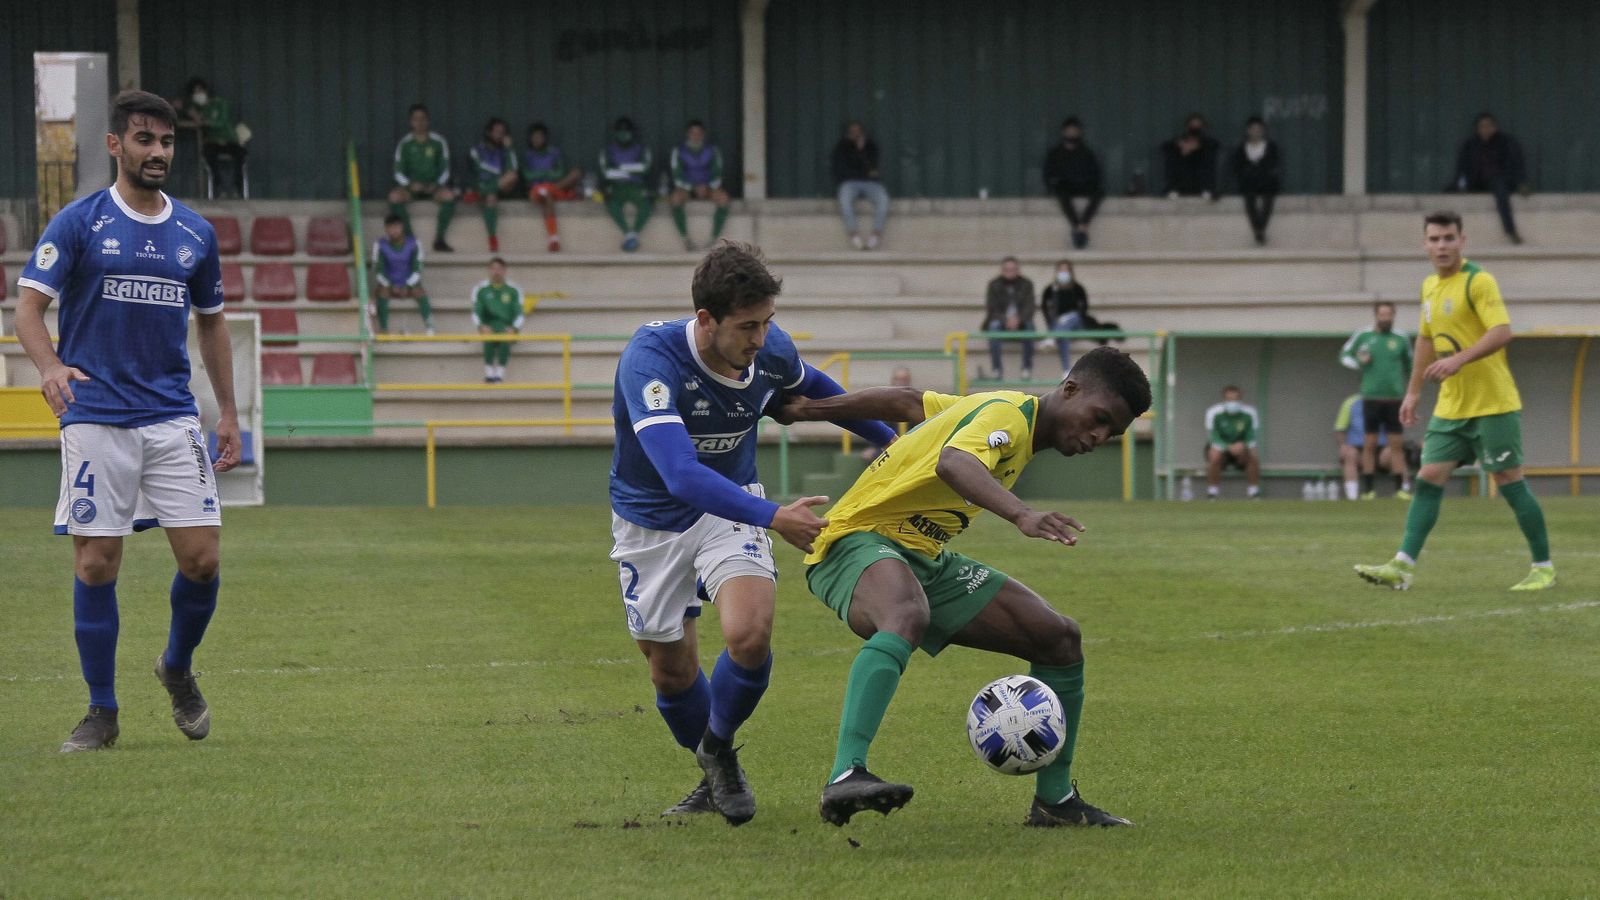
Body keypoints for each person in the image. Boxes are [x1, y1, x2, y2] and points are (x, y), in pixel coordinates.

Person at [770, 346, 1151, 827]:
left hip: (922, 555)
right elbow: (954, 463)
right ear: (1070, 389)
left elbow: (908, 402)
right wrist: (1022, 514)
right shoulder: (1008, 418)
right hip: (853, 541)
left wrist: (808, 409)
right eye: (1099, 418)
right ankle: (846, 774)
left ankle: (1054, 803)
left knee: (1058, 638)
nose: (1098, 436)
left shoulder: (997, 408)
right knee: (906, 614)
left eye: (1111, 433)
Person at [608, 241, 900, 825]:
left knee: (749, 634)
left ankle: (719, 749)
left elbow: (819, 389)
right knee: (668, 668)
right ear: (706, 320)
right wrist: (778, 518)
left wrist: (896, 441)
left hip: (732, 508)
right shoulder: (651, 362)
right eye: (747, 326)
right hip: (651, 521)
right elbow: (680, 473)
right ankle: (713, 770)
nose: (760, 339)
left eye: (767, 322)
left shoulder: (768, 348)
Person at [13, 90, 240, 753]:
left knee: (202, 561)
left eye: (167, 143)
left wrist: (226, 411)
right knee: (95, 564)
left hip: (171, 416)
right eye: (144, 140)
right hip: (97, 417)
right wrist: (52, 367)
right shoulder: (79, 223)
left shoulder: (196, 233)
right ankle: (102, 711)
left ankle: (176, 666)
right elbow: (28, 309)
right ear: (116, 145)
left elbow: (214, 321)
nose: (158, 153)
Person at [1355, 211, 1555, 592]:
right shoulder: (1429, 286)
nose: (1441, 246)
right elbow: (1426, 341)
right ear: (1424, 244)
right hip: (1451, 406)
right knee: (1428, 478)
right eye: (1434, 239)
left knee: (1508, 480)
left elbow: (1502, 331)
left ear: (1462, 240)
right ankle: (1402, 566)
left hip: (1492, 403)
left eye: (1448, 238)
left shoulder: (1479, 281)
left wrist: (1459, 359)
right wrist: (1413, 392)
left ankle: (1543, 567)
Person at [1339, 301, 1413, 498]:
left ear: (1393, 315)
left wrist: (1412, 391)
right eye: (1382, 315)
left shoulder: (1401, 338)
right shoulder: (1363, 336)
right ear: (1376, 316)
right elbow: (1344, 355)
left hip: (1394, 397)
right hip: (1371, 396)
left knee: (1396, 444)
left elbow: (1410, 364)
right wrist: (1359, 362)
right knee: (1369, 442)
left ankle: (1400, 489)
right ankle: (1369, 490)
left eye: (1389, 315)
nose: (1385, 319)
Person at [388, 104, 457, 252]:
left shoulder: (438, 142)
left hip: (433, 187)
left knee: (449, 196)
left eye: (423, 119)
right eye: (415, 119)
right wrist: (410, 184)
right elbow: (397, 172)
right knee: (394, 197)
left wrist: (437, 183)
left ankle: (440, 240)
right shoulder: (405, 143)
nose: (419, 123)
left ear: (428, 121)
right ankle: (409, 238)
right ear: (410, 122)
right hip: (412, 188)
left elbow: (445, 169)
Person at [1452, 113, 1528, 244]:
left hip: (1499, 180)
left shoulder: (1505, 142)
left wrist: (1520, 182)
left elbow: (1516, 163)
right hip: (1475, 180)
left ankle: (1510, 231)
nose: (1485, 130)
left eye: (1488, 126)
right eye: (1482, 126)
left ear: (1494, 127)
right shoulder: (1470, 145)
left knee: (1501, 193)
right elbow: (1462, 167)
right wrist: (1460, 184)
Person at [176, 77, 246, 197]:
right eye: (195, 92)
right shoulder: (197, 109)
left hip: (229, 140)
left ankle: (238, 188)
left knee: (240, 155)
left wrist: (205, 122)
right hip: (213, 142)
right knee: (209, 155)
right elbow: (195, 123)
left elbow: (221, 121)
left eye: (200, 91)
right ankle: (218, 188)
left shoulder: (219, 103)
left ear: (206, 91)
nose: (198, 94)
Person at [668, 120, 731, 252]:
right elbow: (676, 174)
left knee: (723, 198)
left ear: (703, 134)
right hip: (687, 188)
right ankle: (686, 239)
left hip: (707, 188)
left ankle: (714, 239)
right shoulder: (679, 151)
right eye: (693, 133)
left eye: (699, 133)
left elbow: (717, 172)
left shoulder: (712, 150)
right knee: (675, 199)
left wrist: (707, 186)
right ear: (688, 134)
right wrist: (692, 187)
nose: (696, 135)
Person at [1042, 118, 1104, 250]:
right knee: (1061, 192)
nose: (1072, 134)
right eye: (1069, 131)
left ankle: (1083, 224)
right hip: (1065, 186)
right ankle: (1077, 226)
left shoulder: (1086, 153)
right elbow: (1048, 174)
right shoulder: (1055, 153)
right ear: (1064, 132)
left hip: (1083, 185)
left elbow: (1095, 173)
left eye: (1074, 131)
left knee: (1099, 192)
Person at [1335, 394, 1411, 501]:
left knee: (1395, 452)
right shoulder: (1350, 403)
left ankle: (1403, 491)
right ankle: (1352, 497)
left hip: (1381, 450)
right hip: (1359, 451)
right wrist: (1343, 445)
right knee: (1349, 453)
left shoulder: (1387, 402)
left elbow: (1395, 429)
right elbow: (1340, 429)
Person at [521, 122, 583, 252]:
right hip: (536, 190)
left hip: (554, 186)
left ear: (544, 138)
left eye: (539, 137)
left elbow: (560, 173)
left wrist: (544, 174)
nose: (536, 140)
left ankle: (565, 193)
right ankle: (553, 238)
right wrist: (546, 172)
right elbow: (527, 175)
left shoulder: (554, 152)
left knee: (576, 172)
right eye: (534, 137)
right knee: (547, 194)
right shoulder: (528, 155)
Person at [372, 213, 433, 335]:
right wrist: (390, 285)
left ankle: (430, 327)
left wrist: (407, 285)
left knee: (420, 292)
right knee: (382, 292)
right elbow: (378, 270)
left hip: (409, 282)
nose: (393, 231)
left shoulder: (414, 243)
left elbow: (418, 268)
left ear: (402, 227)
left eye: (396, 227)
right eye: (390, 228)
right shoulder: (380, 245)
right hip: (389, 283)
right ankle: (384, 329)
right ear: (386, 229)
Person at [600, 116, 653, 252]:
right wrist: (630, 171)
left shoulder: (641, 149)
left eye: (626, 131)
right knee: (610, 201)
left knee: (648, 203)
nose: (624, 134)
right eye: (620, 131)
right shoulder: (608, 150)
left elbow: (645, 168)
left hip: (636, 186)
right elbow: (606, 172)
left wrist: (622, 168)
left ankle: (633, 234)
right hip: (617, 187)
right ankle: (629, 233)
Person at [832, 121, 888, 250]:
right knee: (844, 200)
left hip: (870, 183)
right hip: (850, 183)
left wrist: (861, 150)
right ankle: (854, 235)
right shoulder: (842, 147)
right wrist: (854, 151)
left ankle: (875, 235)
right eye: (853, 131)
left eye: (858, 131)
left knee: (883, 199)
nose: (855, 134)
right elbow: (842, 169)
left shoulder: (870, 146)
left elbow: (872, 168)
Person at [1227, 117, 1282, 245]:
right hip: (1249, 182)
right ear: (1248, 131)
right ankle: (1258, 229)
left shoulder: (1270, 146)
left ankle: (1260, 229)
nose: (1256, 132)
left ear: (1263, 131)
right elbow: (1238, 166)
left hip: (1266, 182)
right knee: (1250, 202)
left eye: (1258, 129)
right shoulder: (1242, 148)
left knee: (1268, 202)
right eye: (1253, 129)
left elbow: (1273, 163)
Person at [468, 118, 519, 253]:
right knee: (491, 199)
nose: (500, 135)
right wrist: (500, 176)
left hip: (500, 187)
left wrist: (509, 148)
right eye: (497, 132)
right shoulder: (477, 149)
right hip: (483, 184)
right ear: (489, 132)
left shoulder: (504, 151)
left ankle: (481, 194)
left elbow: (513, 168)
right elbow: (480, 167)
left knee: (512, 176)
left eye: (502, 132)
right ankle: (492, 237)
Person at [981, 256, 1035, 381]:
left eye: (1013, 269)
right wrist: (1006, 320)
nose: (1010, 272)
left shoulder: (1026, 284)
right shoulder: (994, 285)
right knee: (993, 327)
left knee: (1030, 328)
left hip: (1021, 321)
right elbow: (992, 308)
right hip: (1000, 320)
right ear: (1002, 270)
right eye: (1007, 269)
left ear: (1018, 270)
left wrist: (1018, 319)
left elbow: (1029, 306)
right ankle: (997, 369)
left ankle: (1026, 368)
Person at [472, 257, 525, 383]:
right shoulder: (480, 289)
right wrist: (480, 326)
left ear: (505, 271)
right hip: (489, 325)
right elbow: (476, 312)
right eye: (493, 268)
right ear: (489, 270)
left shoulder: (514, 289)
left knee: (505, 335)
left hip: (507, 326)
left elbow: (520, 313)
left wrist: (515, 328)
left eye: (500, 269)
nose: (497, 272)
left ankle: (500, 373)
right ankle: (489, 373)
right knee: (488, 334)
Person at [1204, 386, 1261, 499]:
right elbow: (1213, 436)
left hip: (1241, 447)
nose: (1233, 403)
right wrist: (1228, 446)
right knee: (1214, 454)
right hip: (1221, 446)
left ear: (1240, 399)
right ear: (1224, 400)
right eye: (1229, 399)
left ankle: (1253, 491)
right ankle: (1212, 491)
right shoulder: (1214, 412)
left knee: (1253, 455)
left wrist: (1243, 445)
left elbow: (1251, 435)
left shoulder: (1250, 413)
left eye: (1235, 399)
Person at [1040, 259, 1088, 378]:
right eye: (1061, 270)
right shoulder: (1051, 290)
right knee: (1063, 334)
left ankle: (1052, 337)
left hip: (1075, 323)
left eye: (1066, 270)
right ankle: (1066, 369)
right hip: (1058, 325)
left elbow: (1083, 308)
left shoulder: (1077, 288)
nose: (1063, 273)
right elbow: (1045, 307)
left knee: (1073, 317)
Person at [858, 367, 914, 461]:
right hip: (887, 446)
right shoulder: (882, 402)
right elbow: (877, 426)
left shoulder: (915, 403)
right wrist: (873, 447)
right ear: (892, 381)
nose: (900, 382)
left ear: (909, 381)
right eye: (897, 379)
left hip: (910, 446)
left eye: (904, 379)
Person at [1162, 113, 1220, 199]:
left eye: (1198, 125)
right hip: (1183, 175)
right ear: (1188, 126)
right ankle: (1174, 189)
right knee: (1175, 157)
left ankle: (1207, 190)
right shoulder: (1180, 140)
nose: (1195, 127)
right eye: (1193, 125)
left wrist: (1197, 147)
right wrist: (1180, 145)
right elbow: (1165, 146)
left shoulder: (1208, 142)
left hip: (1200, 176)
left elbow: (1215, 145)